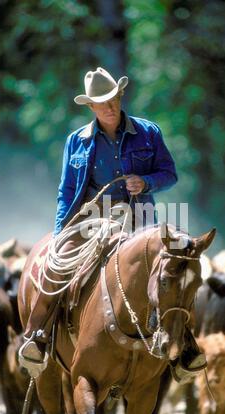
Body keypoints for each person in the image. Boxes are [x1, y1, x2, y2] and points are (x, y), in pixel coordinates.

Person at [20, 67, 204, 374]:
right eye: (101, 101)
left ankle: (184, 346)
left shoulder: (149, 132)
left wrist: (146, 182)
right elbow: (66, 191)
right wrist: (60, 232)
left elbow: (169, 174)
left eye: (113, 98)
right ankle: (36, 336)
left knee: (175, 269)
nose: (109, 106)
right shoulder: (76, 141)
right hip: (91, 218)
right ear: (90, 106)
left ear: (120, 96)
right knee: (56, 264)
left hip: (140, 220)